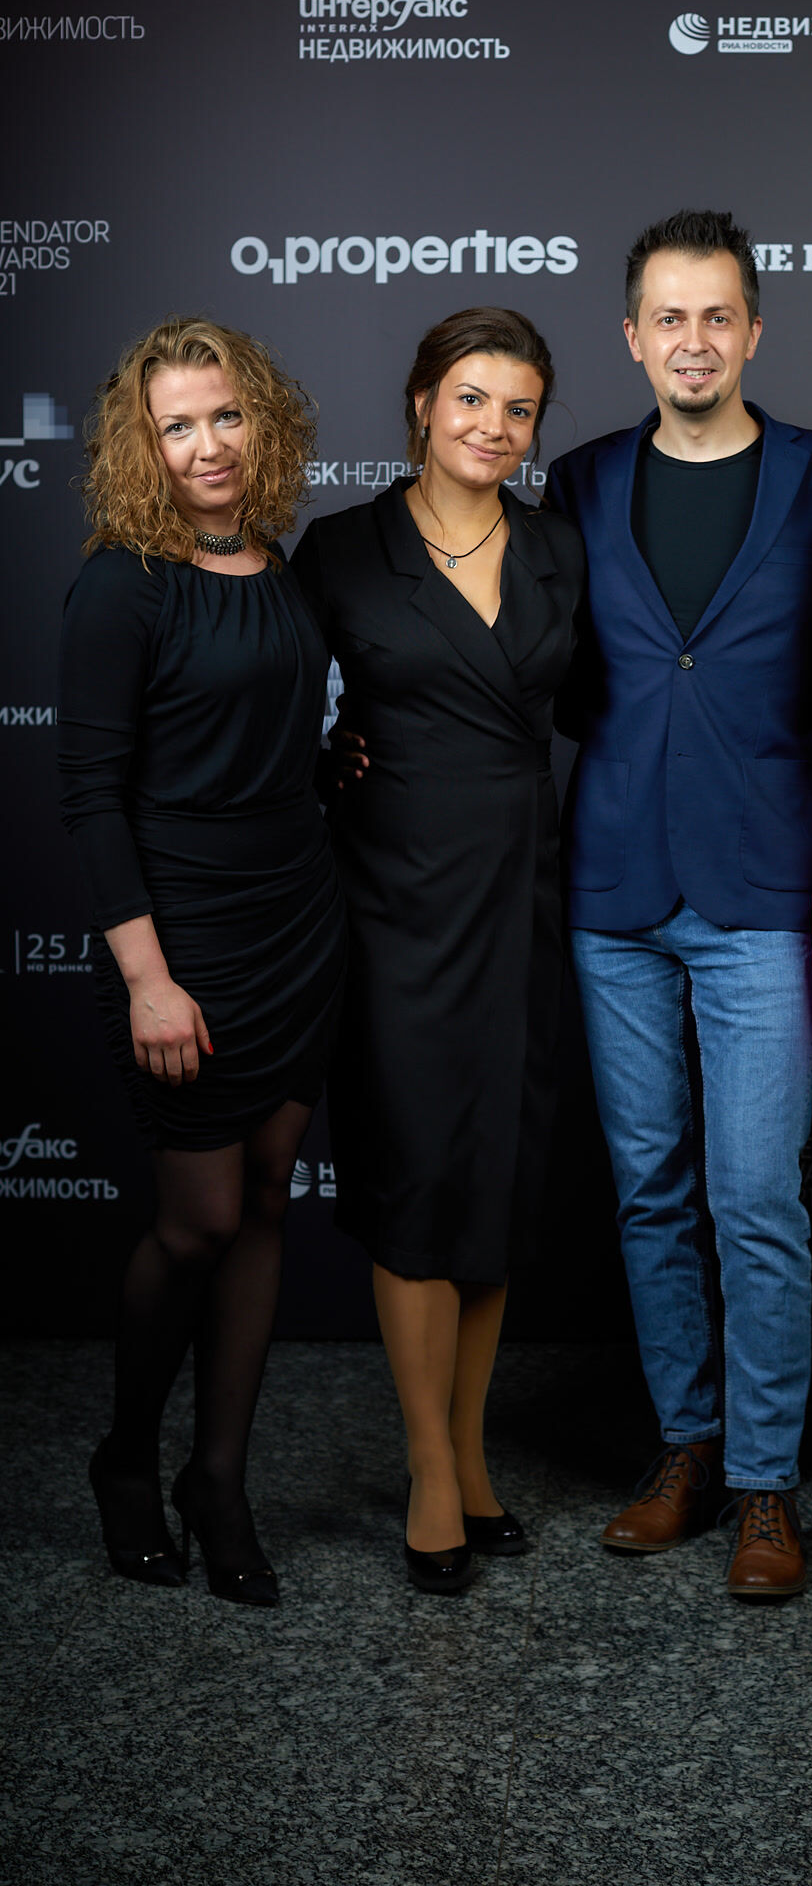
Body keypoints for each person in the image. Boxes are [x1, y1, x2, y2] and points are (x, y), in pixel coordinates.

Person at [545, 209, 812, 1599]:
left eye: (717, 314)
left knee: (757, 1196)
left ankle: (767, 1482)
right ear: (631, 336)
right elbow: (538, 665)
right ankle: (687, 1444)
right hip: (613, 883)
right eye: (668, 316)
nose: (694, 339)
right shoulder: (580, 479)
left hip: (762, 885)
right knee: (650, 1190)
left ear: (755, 330)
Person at [290, 308, 583, 1595]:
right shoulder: (342, 549)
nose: (493, 427)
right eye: (470, 398)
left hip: (523, 889)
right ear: (421, 401)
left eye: (518, 408)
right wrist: (325, 760)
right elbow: (266, 700)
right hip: (395, 898)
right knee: (416, 1181)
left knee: (494, 1183)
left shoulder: (560, 547)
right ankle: (425, 1468)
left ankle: (469, 1452)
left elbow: (621, 701)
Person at [59, 317, 346, 1605]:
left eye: (225, 414)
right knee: (200, 1220)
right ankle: (128, 1454)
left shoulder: (277, 564)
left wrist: (337, 761)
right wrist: (147, 977)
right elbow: (90, 794)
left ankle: (217, 1477)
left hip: (298, 925)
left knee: (268, 1203)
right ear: (144, 444)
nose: (207, 444)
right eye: (176, 425)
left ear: (260, 421)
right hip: (186, 939)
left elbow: (270, 731)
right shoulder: (122, 584)